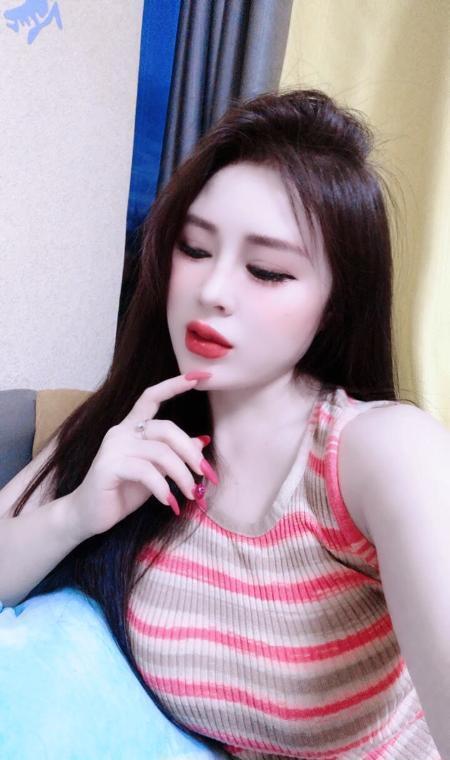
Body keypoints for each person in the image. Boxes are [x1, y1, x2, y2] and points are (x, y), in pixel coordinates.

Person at [0, 89, 449, 760]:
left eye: (266, 271)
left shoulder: (380, 452)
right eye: (196, 248)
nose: (212, 292)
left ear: (334, 305)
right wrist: (77, 514)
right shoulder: (130, 429)